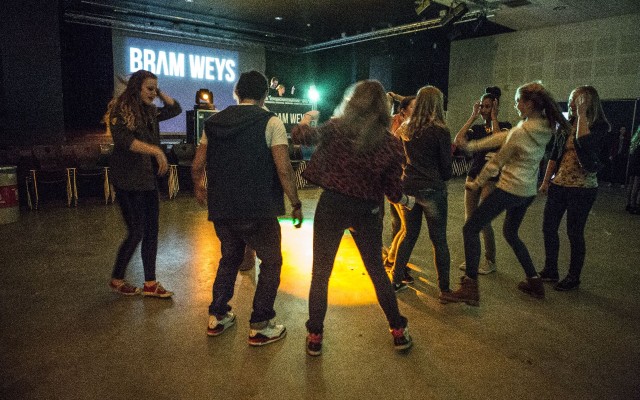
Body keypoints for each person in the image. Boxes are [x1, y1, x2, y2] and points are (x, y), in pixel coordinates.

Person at [291, 80, 415, 356]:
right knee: (377, 272)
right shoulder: (390, 144)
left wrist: (306, 119)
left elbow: (303, 137)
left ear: (353, 102)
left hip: (332, 205)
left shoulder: (336, 128)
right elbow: (393, 191)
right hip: (367, 211)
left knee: (320, 274)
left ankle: (315, 336)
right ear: (383, 108)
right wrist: (408, 201)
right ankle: (398, 331)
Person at [191, 70, 303, 346]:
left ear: (237, 92)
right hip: (258, 208)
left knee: (229, 258)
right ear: (265, 94)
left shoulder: (213, 122)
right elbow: (284, 169)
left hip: (223, 208)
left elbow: (197, 165)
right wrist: (295, 202)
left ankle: (218, 316)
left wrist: (199, 186)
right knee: (271, 262)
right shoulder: (271, 121)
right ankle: (260, 324)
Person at [442, 81, 570, 305]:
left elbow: (496, 162)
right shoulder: (543, 126)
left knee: (470, 228)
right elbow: (505, 137)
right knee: (510, 233)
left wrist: (477, 183)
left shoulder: (522, 131)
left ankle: (470, 287)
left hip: (510, 189)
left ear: (530, 104)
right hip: (527, 192)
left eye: (519, 101)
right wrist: (474, 146)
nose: (516, 105)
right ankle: (534, 281)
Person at [105, 69, 181, 297]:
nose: (153, 93)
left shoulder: (150, 111)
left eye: (155, 89)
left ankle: (150, 283)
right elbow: (124, 141)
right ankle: (117, 278)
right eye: (149, 88)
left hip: (147, 180)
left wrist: (158, 91)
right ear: (136, 87)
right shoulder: (121, 109)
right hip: (127, 180)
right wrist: (156, 151)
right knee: (137, 231)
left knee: (151, 231)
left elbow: (175, 108)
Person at [539, 86, 611, 291]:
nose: (571, 103)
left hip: (582, 188)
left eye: (576, 100)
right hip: (559, 184)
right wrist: (546, 181)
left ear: (589, 102)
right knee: (548, 228)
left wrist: (581, 116)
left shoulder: (600, 127)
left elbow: (585, 143)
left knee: (574, 233)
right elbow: (554, 154)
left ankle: (573, 276)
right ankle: (550, 269)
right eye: (571, 99)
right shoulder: (567, 125)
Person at [389, 86, 452, 298]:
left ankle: (395, 280)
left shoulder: (406, 128)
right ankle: (444, 289)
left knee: (408, 235)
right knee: (439, 240)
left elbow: (398, 156)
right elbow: (446, 170)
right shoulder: (440, 130)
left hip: (409, 188)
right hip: (433, 189)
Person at [454, 87, 512, 275]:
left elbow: (498, 141)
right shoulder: (477, 128)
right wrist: (472, 116)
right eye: (483, 107)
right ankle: (472, 258)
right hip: (474, 175)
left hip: (491, 178)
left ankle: (490, 260)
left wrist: (494, 117)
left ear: (496, 107)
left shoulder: (505, 126)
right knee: (470, 219)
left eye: (489, 106)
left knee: (484, 219)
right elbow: (458, 140)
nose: (485, 110)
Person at [384, 95, 416, 270]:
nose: (417, 110)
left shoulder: (412, 126)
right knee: (405, 227)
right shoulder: (400, 126)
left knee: (404, 226)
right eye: (413, 107)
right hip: (397, 180)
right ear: (403, 111)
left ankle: (394, 258)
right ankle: (394, 261)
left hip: (400, 180)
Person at [626, 126, 640, 214]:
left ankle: (629, 204)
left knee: (631, 184)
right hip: (638, 165)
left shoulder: (634, 141)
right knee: (636, 186)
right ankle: (634, 205)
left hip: (632, 164)